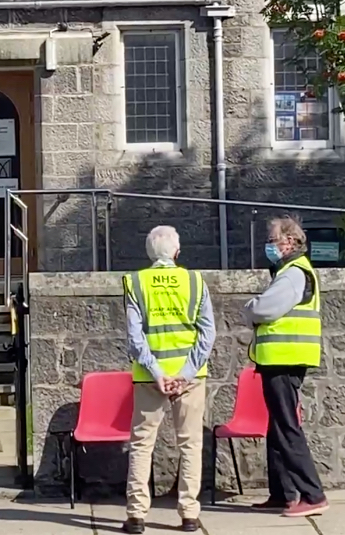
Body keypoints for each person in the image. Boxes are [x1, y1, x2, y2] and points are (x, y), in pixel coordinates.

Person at [123, 226, 216, 534]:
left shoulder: (136, 282)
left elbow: (136, 338)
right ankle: (189, 514)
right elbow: (207, 333)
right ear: (177, 252)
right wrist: (186, 373)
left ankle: (136, 516)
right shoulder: (195, 280)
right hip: (189, 377)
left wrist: (157, 372)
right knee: (190, 444)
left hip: (149, 377)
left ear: (149, 253)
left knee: (141, 444)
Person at [242, 215, 328, 517]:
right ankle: (282, 493)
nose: (269, 245)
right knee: (277, 427)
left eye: (272, 239)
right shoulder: (290, 270)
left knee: (287, 427)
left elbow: (266, 308)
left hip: (285, 358)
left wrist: (250, 308)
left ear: (289, 241)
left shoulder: (293, 272)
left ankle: (312, 494)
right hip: (280, 358)